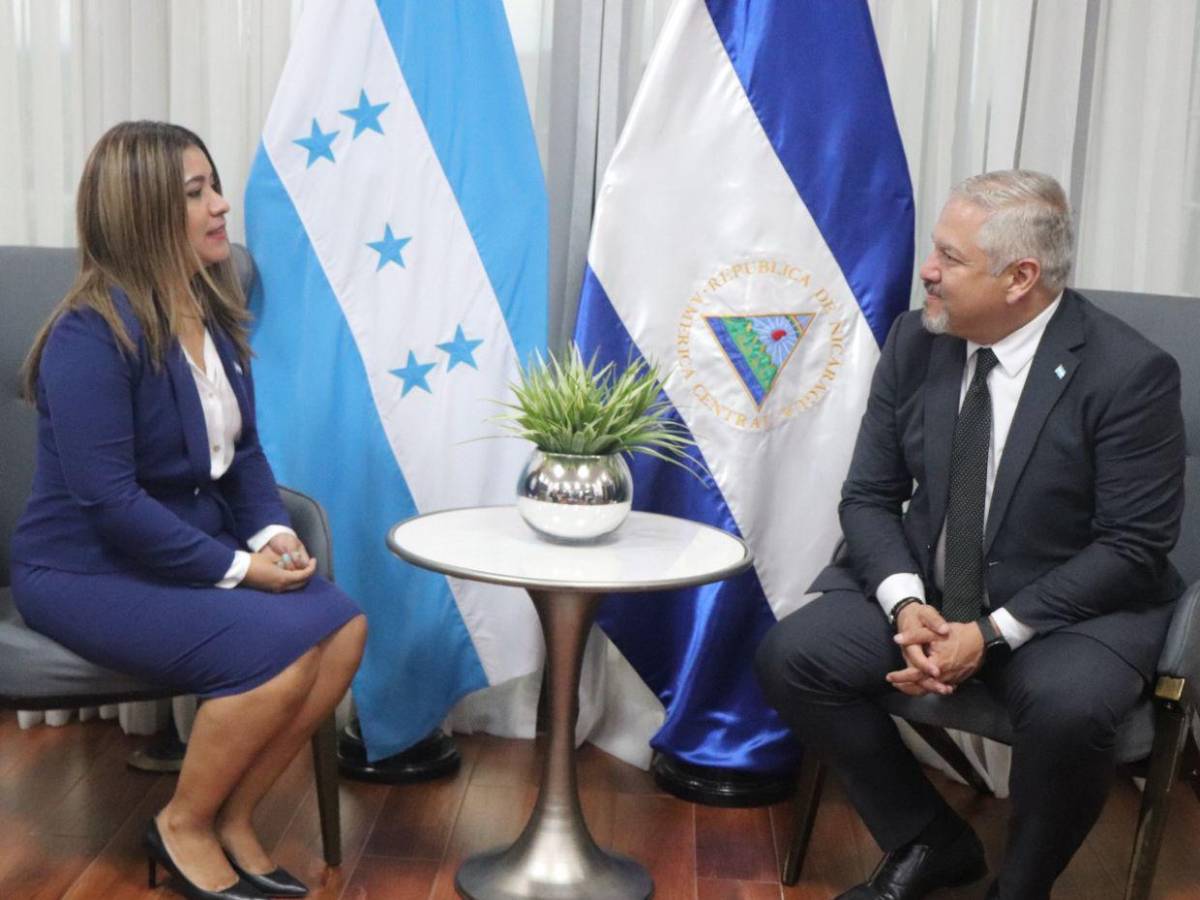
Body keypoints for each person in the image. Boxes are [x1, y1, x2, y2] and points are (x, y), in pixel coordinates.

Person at [755, 170, 1185, 900]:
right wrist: (904, 604)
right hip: (932, 587)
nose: (928, 270)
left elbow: (1132, 547)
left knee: (1071, 709)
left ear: (1021, 277)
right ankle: (928, 840)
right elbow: (869, 496)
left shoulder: (1129, 374)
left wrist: (989, 633)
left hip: (1068, 609)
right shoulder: (916, 340)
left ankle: (1020, 887)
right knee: (794, 656)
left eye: (949, 258)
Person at [11, 121, 367, 900]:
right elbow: (110, 504)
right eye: (196, 193)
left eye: (215, 186)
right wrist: (240, 570)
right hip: (83, 571)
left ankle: (234, 817)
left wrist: (272, 533)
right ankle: (182, 825)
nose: (221, 206)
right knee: (273, 655)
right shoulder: (88, 335)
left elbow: (242, 454)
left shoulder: (209, 310)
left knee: (343, 628)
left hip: (176, 553)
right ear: (143, 212)